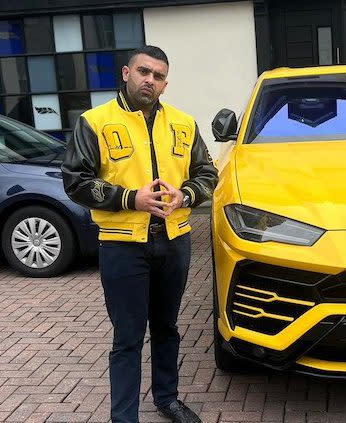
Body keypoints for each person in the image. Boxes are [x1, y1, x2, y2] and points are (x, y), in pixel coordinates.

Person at [61, 45, 217, 423]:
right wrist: (131, 198)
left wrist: (186, 194)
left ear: (165, 84)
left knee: (167, 328)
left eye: (159, 76)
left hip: (174, 241)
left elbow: (208, 175)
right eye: (144, 71)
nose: (151, 80)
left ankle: (167, 399)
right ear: (126, 73)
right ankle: (124, 416)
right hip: (122, 245)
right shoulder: (94, 122)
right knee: (127, 338)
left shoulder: (183, 122)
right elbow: (74, 181)